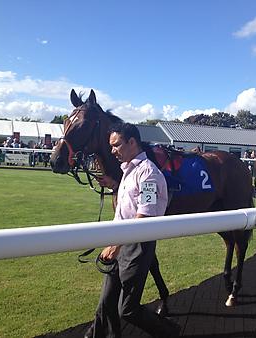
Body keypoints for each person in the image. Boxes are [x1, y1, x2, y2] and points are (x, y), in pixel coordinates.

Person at [85, 121, 180, 338]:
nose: (112, 151)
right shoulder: (129, 170)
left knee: (127, 309)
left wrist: (116, 246)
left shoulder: (149, 174)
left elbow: (143, 216)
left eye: (116, 145)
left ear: (132, 142)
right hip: (120, 242)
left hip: (136, 247)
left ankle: (170, 332)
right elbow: (132, 202)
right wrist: (114, 185)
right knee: (105, 304)